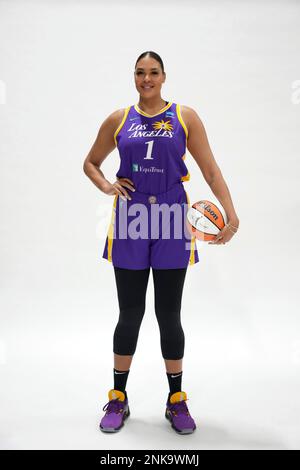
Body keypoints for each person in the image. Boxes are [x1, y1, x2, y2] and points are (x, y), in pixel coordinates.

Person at [83, 51, 240, 435]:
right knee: (130, 313)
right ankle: (118, 398)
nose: (146, 79)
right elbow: (91, 162)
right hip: (131, 219)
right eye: (140, 72)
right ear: (133, 77)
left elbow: (210, 169)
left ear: (164, 76)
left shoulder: (185, 117)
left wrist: (230, 213)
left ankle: (176, 401)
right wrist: (107, 185)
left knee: (169, 315)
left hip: (172, 219)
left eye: (153, 72)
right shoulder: (119, 119)